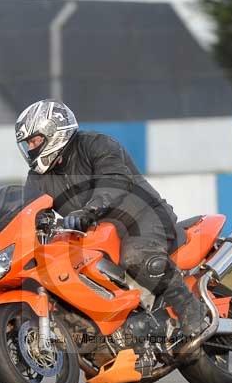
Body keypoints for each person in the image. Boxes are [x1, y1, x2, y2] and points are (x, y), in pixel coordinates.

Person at [15, 99, 207, 336]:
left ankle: (189, 309)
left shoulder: (96, 144)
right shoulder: (38, 177)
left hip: (142, 216)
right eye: (28, 143)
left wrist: (90, 210)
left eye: (35, 140)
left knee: (137, 257)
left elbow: (114, 180)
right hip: (95, 233)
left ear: (55, 131)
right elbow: (29, 210)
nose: (31, 148)